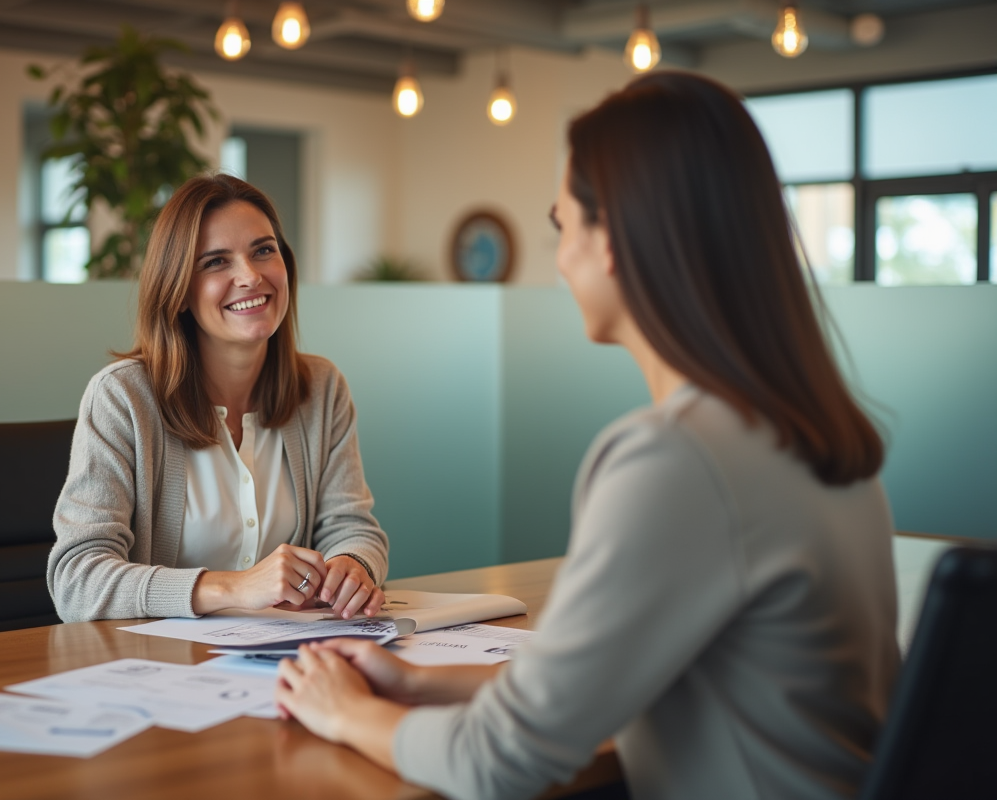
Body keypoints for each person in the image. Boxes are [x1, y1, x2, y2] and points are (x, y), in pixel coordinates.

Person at [274, 72, 900, 800]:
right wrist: (416, 682)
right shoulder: (813, 436)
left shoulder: (678, 460)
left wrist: (345, 713)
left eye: (562, 223)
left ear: (614, 241)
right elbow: (594, 683)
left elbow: (495, 764)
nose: (561, 256)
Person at [48, 174, 389, 623]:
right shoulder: (123, 398)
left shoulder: (322, 388)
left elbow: (352, 526)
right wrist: (236, 588)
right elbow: (77, 580)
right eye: (215, 262)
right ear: (180, 290)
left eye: (263, 250)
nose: (250, 276)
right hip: (155, 670)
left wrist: (354, 565)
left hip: (284, 663)